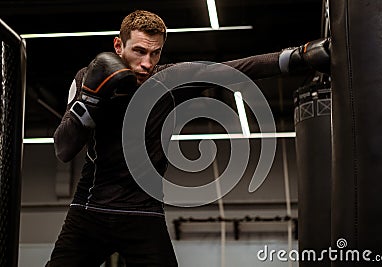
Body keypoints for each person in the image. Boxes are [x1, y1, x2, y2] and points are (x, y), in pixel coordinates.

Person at [46, 9, 330, 267]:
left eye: (155, 54)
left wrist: (298, 56)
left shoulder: (168, 80)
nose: (147, 63)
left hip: (143, 212)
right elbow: (64, 149)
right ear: (118, 46)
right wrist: (91, 101)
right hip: (90, 209)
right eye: (139, 51)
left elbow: (233, 70)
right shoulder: (87, 77)